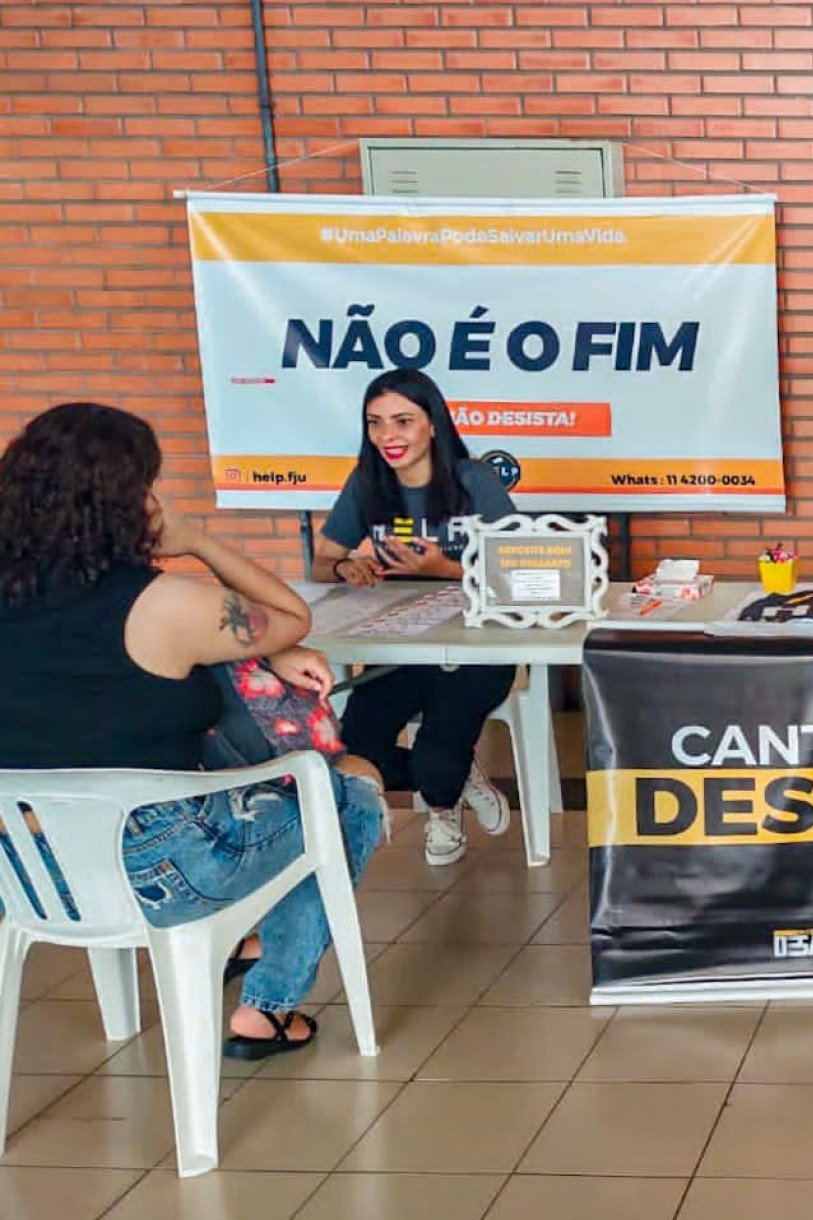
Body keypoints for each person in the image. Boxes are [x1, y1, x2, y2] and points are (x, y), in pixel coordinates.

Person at [0, 403, 386, 1059]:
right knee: (348, 789)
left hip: (28, 870)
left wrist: (255, 653)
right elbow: (289, 614)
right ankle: (267, 1006)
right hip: (160, 870)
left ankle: (247, 939)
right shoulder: (163, 604)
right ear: (128, 500)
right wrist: (199, 542)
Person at [310, 369, 517, 867]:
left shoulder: (475, 481)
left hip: (479, 646)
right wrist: (346, 565)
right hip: (398, 647)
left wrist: (442, 569)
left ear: (433, 425)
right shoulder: (367, 483)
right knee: (354, 753)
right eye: (375, 423)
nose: (388, 436)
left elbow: (517, 570)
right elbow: (320, 563)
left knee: (433, 757)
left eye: (402, 421)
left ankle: (442, 801)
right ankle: (453, 777)